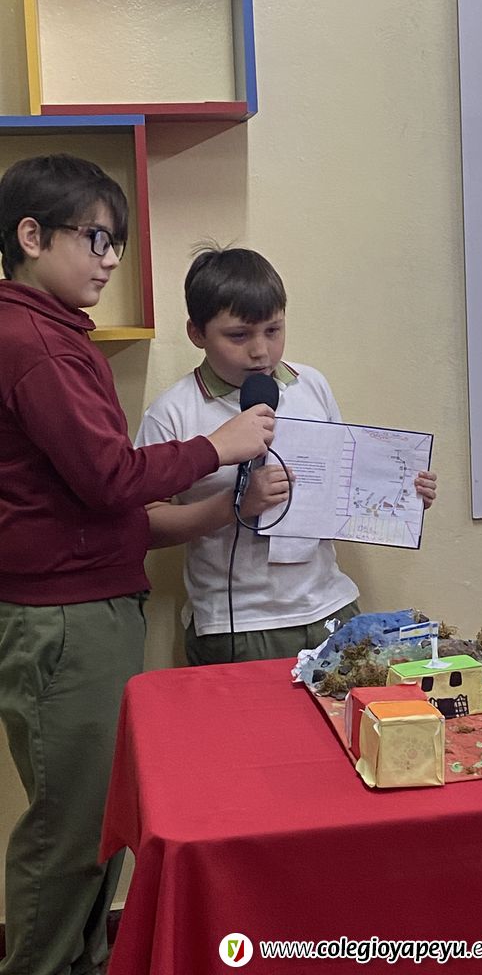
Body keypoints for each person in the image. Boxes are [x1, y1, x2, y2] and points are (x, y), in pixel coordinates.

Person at [0, 156, 275, 975]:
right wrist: (217, 447)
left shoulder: (50, 334)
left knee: (100, 823)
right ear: (30, 236)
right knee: (73, 830)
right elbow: (112, 479)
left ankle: (83, 960)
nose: (111, 259)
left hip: (84, 609)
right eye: (95, 238)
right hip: (64, 621)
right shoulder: (34, 344)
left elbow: (101, 497)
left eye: (115, 241)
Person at [136, 245, 437, 665]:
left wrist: (401, 492)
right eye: (239, 335)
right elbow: (145, 525)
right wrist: (236, 505)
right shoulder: (173, 411)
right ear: (197, 333)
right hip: (238, 625)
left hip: (330, 607)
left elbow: (340, 483)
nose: (260, 350)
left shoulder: (310, 384)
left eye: (273, 330)